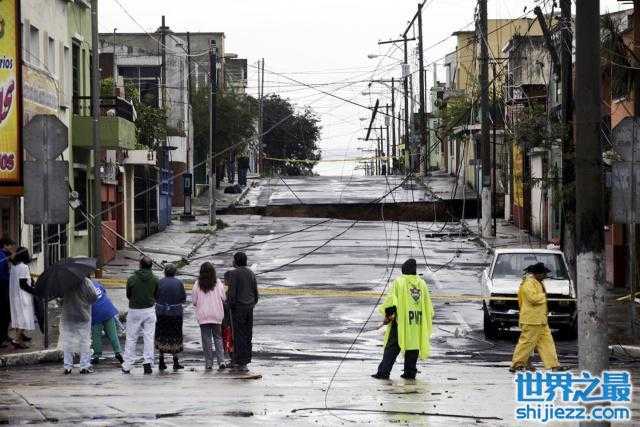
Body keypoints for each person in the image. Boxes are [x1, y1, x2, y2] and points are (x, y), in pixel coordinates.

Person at [372, 259, 434, 380]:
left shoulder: (399, 282)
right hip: (416, 322)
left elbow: (391, 302)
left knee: (392, 347)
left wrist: (388, 316)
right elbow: (428, 305)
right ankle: (410, 373)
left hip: (401, 322)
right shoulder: (422, 284)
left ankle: (383, 372)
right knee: (413, 347)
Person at [510, 262, 566, 372]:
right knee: (526, 343)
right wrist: (545, 296)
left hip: (540, 320)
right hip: (531, 320)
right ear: (538, 274)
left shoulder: (537, 282)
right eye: (544, 274)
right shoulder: (528, 283)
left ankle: (554, 365)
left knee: (547, 343)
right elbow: (533, 298)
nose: (545, 276)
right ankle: (516, 364)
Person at [122, 257, 159, 375]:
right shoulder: (155, 279)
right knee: (148, 337)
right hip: (149, 310)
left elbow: (128, 295)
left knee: (131, 338)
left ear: (140, 265)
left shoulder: (132, 279)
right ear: (151, 266)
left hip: (134, 310)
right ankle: (148, 362)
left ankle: (127, 365)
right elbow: (156, 295)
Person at [224, 252, 258, 372]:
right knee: (248, 334)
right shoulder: (251, 273)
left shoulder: (234, 274)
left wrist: (229, 305)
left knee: (238, 335)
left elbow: (232, 293)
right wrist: (252, 303)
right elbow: (255, 292)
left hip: (238, 309)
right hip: (249, 308)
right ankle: (246, 360)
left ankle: (239, 361)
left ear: (236, 261)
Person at [192, 262, 227, 370]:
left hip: (203, 316)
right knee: (218, 338)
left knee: (206, 340)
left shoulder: (197, 284)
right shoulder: (218, 283)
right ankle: (221, 361)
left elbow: (194, 301)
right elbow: (224, 298)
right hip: (216, 315)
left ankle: (209, 363)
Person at [61, 276, 98, 374]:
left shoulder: (65, 281)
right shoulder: (86, 282)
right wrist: (85, 302)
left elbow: (60, 297)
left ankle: (67, 366)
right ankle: (84, 366)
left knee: (68, 341)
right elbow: (94, 297)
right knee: (84, 341)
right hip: (83, 314)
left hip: (68, 315)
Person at [155, 263, 186, 371]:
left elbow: (155, 296)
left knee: (162, 335)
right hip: (176, 313)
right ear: (174, 272)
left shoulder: (159, 282)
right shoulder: (179, 283)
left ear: (165, 272)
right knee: (175, 336)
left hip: (161, 313)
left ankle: (161, 360)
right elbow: (183, 298)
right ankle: (175, 361)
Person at [90, 279, 123, 365]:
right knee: (113, 334)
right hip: (108, 310)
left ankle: (96, 356)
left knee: (96, 336)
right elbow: (104, 293)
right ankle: (118, 352)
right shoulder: (96, 283)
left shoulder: (83, 288)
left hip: (96, 313)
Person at [8, 247, 35, 349]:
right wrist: (34, 291)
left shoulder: (14, 266)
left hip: (15, 296)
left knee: (18, 318)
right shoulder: (24, 267)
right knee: (25, 319)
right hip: (23, 296)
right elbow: (23, 284)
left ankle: (19, 338)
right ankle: (17, 340)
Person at [0, 237, 16, 347]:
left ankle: (4, 335)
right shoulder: (1, 255)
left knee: (6, 314)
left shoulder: (6, 255)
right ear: (5, 245)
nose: (12, 247)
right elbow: (1, 275)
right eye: (10, 245)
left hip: (6, 288)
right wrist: (10, 278)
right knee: (2, 314)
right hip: (2, 289)